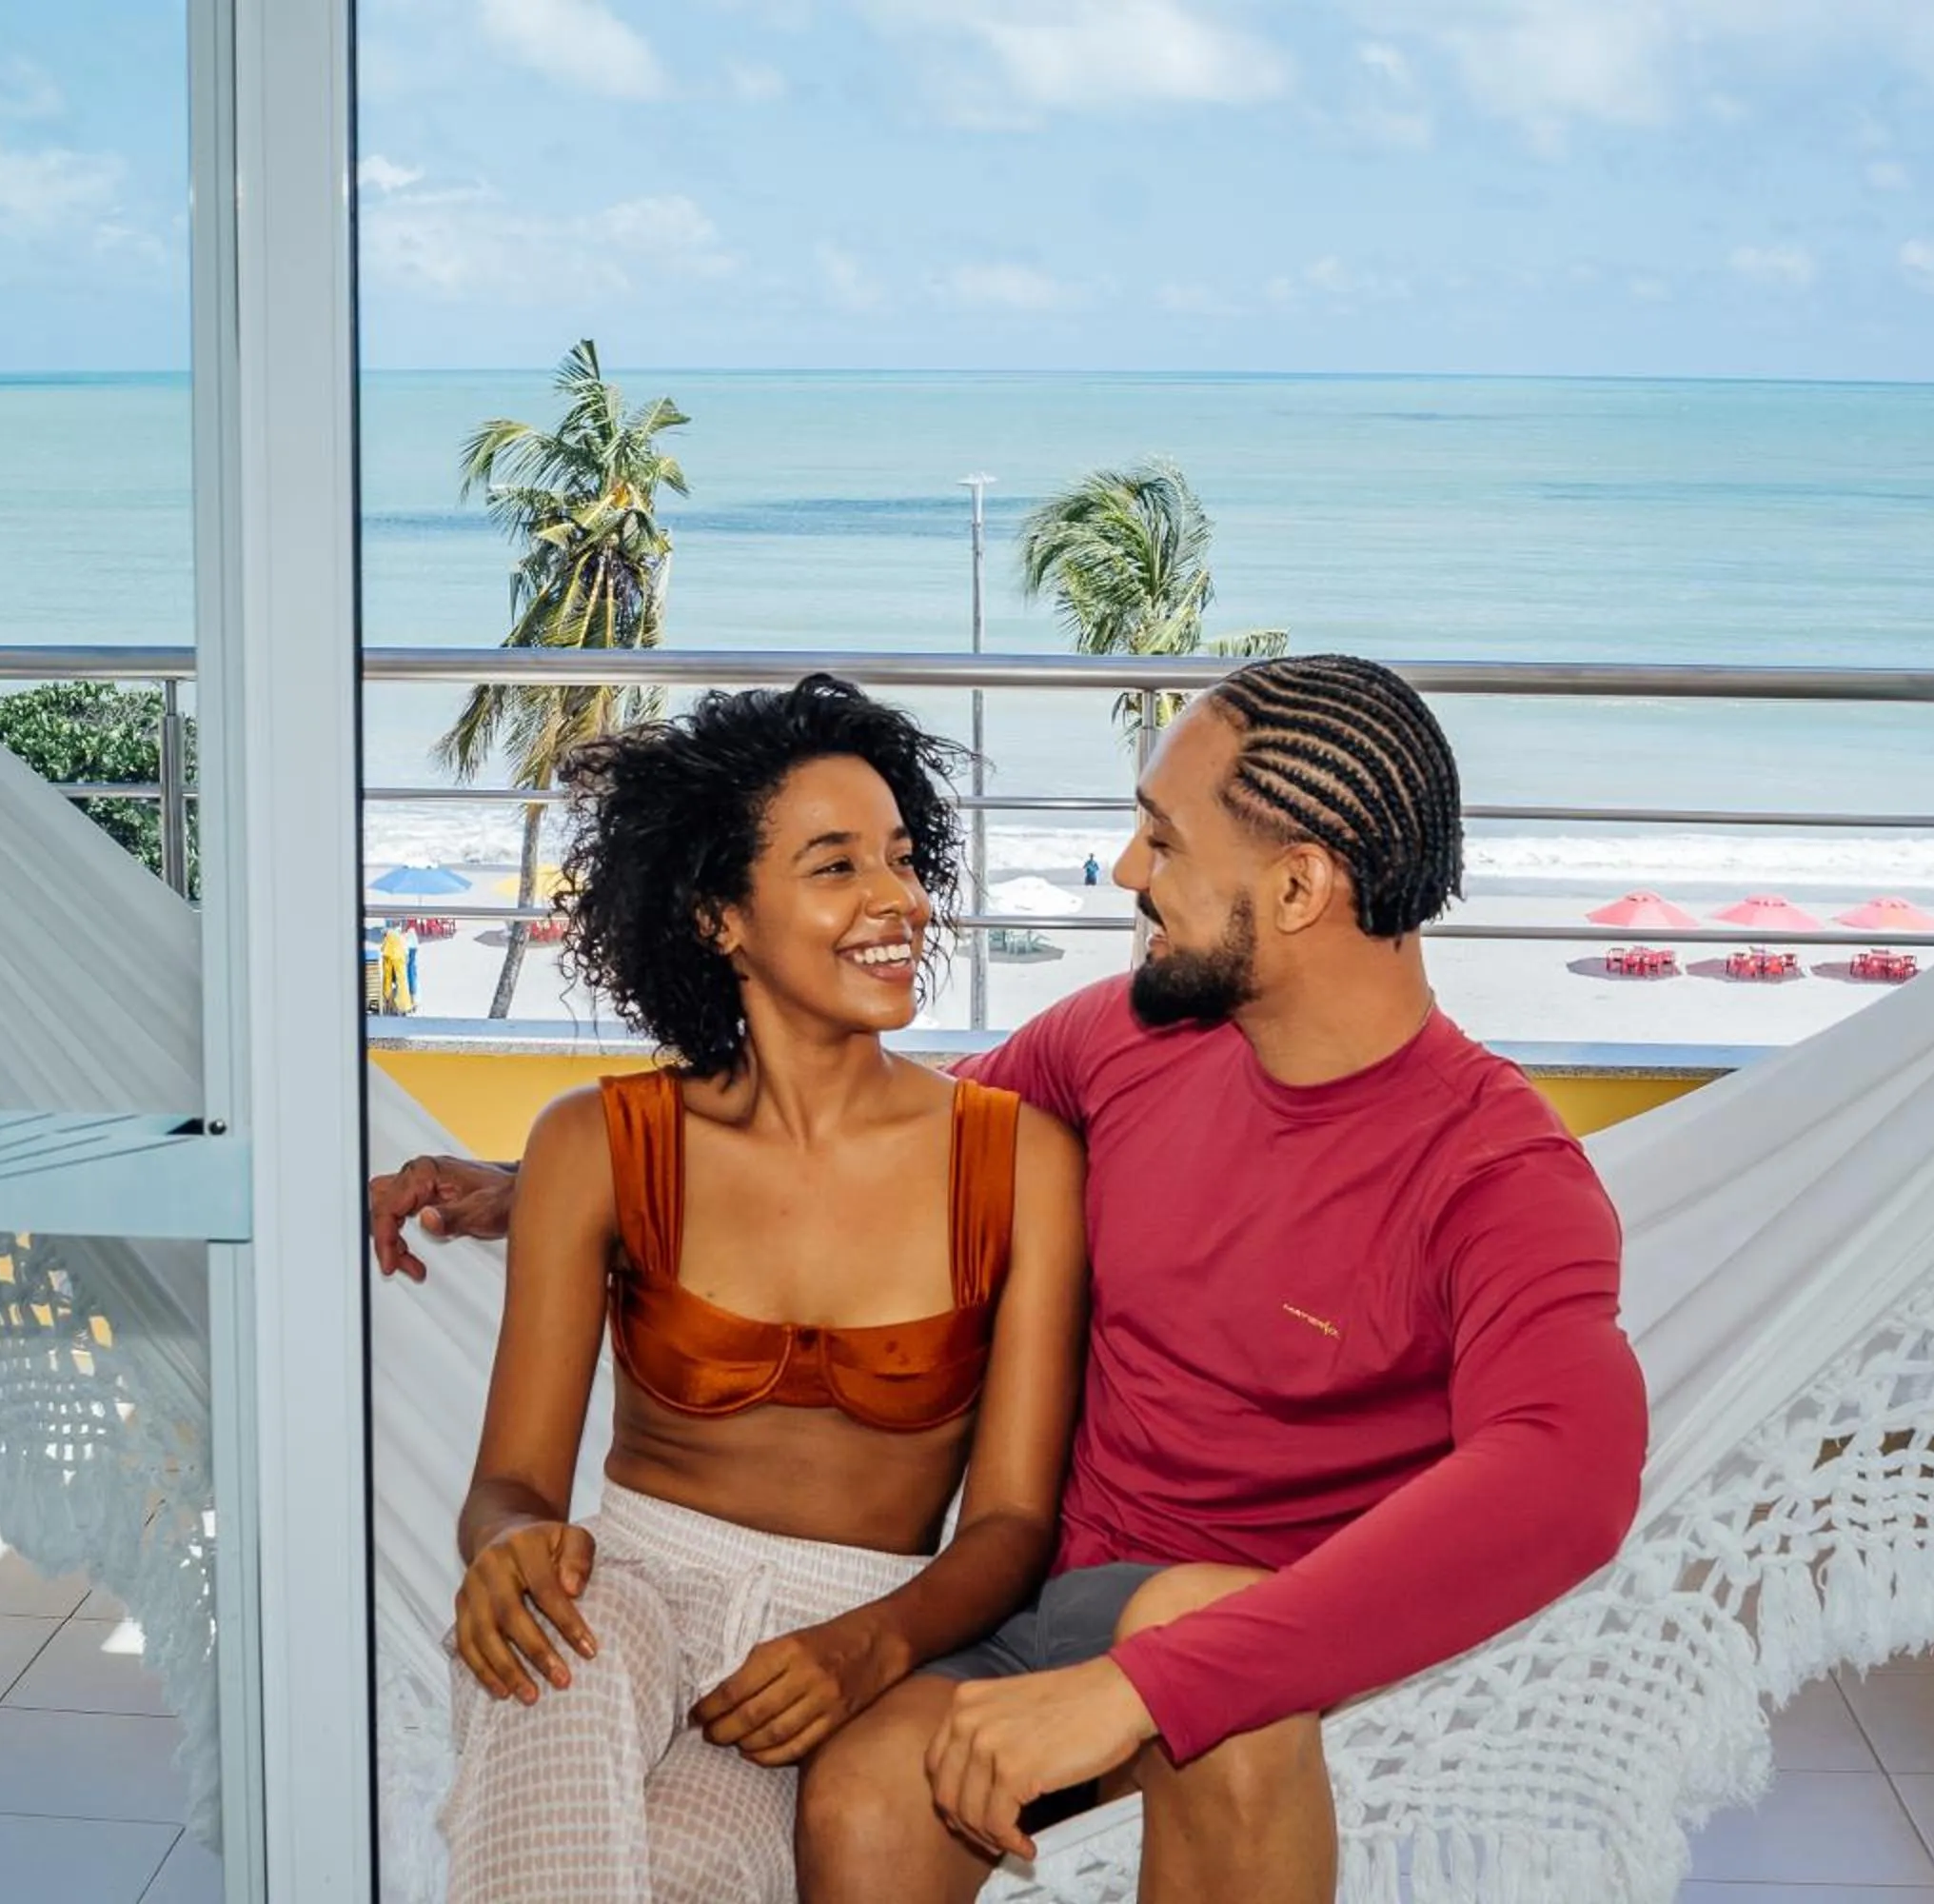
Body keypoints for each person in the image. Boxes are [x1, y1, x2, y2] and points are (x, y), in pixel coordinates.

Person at [371, 654, 1648, 1904]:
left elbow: (1567, 1476)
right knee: (860, 1799)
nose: (1128, 872)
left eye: (1163, 838)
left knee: (1204, 1645)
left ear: (1302, 887)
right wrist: (536, 1182)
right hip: (1020, 1608)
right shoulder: (1127, 1037)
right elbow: (853, 1142)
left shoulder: (1496, 1172)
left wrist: (1143, 1689)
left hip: (1235, 1635)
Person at [434, 675, 1087, 1903]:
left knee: (686, 1869)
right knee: (562, 1665)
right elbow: (510, 1485)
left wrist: (868, 1646)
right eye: (836, 867)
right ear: (720, 918)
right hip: (619, 1594)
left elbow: (1009, 1525)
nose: (898, 899)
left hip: (836, 1647)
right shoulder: (597, 1145)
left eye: (901, 858)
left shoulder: (1018, 1164)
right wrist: (510, 1548)